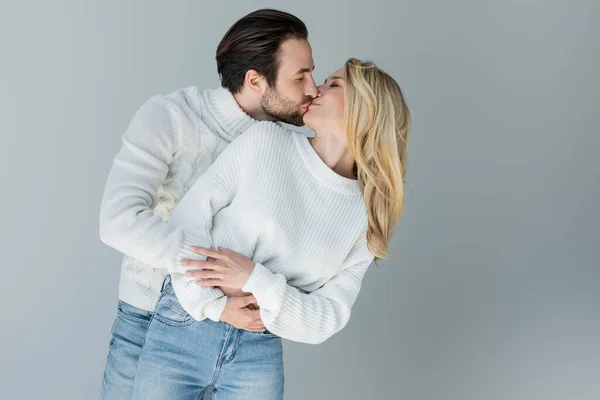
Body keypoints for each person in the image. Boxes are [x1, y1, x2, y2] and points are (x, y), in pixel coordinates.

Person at [130, 58, 411, 399]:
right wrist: (214, 306)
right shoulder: (266, 142)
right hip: (185, 322)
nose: (315, 88)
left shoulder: (366, 217)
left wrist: (253, 278)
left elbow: (327, 317)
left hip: (257, 348)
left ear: (367, 111)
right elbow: (189, 220)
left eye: (334, 85)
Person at [98, 9, 318, 399]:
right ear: (255, 80)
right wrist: (211, 278)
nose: (312, 88)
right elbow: (118, 221)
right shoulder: (170, 116)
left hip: (243, 333)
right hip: (149, 319)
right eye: (300, 76)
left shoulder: (291, 150)